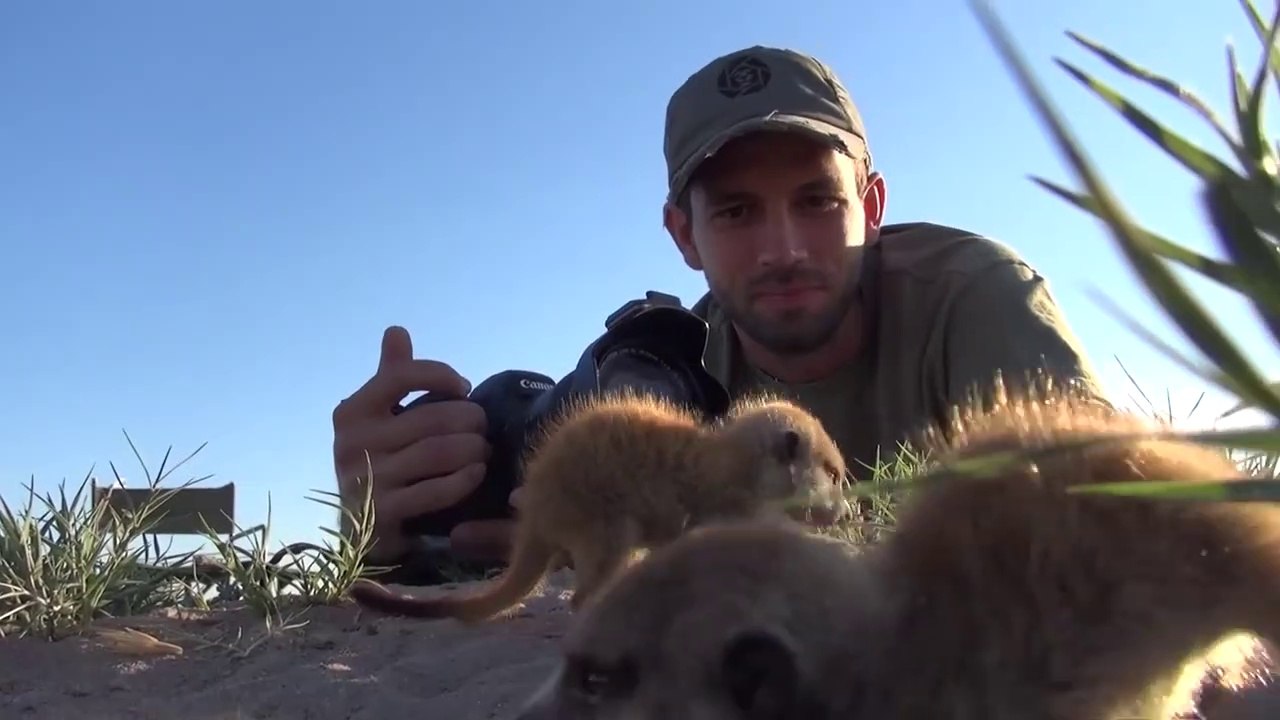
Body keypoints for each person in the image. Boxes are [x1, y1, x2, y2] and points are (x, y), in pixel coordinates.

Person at [330, 45, 1108, 584]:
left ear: (870, 207)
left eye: (817, 201)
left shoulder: (974, 299)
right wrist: (386, 538)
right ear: (683, 236)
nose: (784, 249)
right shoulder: (667, 374)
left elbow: (1104, 509)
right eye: (736, 212)